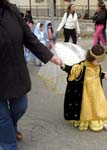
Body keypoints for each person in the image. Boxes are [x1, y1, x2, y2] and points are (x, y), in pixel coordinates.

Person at [0, 1, 63, 150]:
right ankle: (9, 144)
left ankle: (9, 128)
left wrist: (50, 56)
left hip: (15, 71)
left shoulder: (11, 10)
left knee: (21, 107)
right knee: (2, 117)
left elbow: (29, 38)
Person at [61, 45, 107, 131]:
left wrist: (104, 75)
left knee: (97, 105)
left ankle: (101, 120)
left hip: (96, 90)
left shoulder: (97, 65)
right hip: (86, 92)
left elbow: (97, 74)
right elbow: (71, 70)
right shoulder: (82, 66)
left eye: (101, 61)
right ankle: (90, 121)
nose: (100, 63)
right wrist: (63, 65)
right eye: (98, 61)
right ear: (91, 58)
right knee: (88, 107)